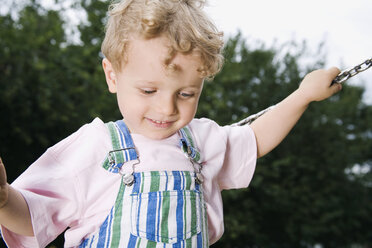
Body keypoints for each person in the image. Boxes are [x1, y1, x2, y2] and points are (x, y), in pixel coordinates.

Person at [0, 0, 342, 247]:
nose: (166, 108)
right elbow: (35, 218)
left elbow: (255, 138)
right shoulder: (96, 148)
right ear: (113, 75)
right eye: (149, 89)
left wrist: (303, 96)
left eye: (187, 94)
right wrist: (3, 199)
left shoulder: (201, 142)